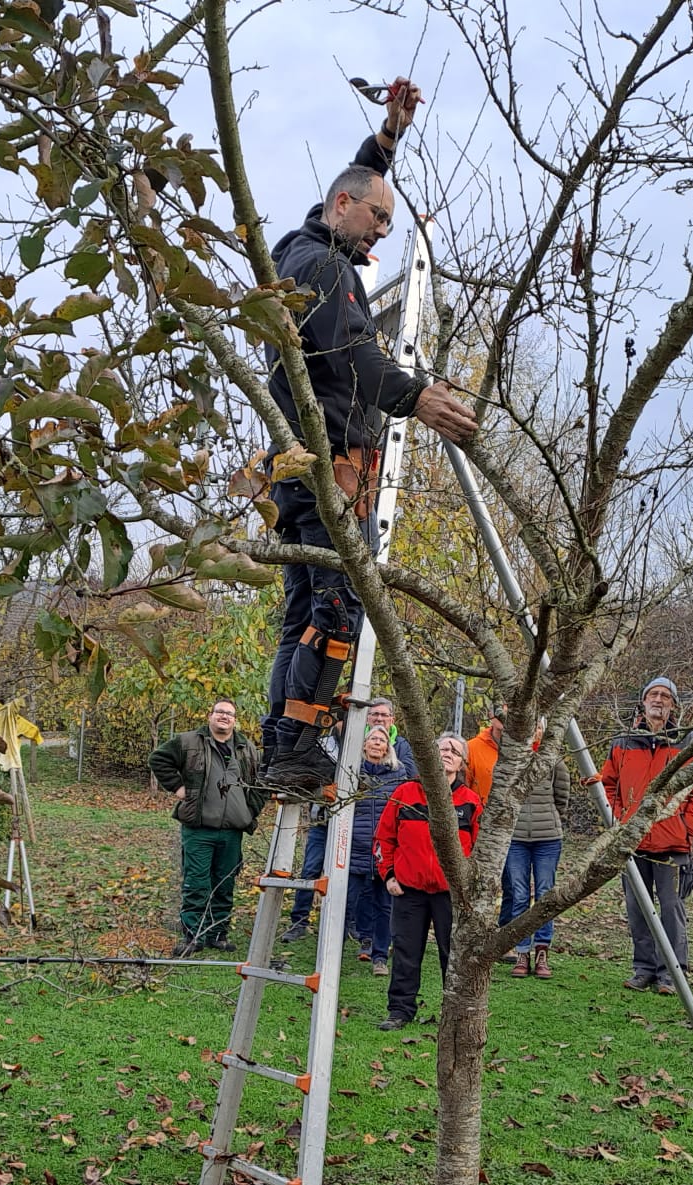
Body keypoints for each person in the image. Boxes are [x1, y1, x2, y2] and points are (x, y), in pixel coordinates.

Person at [261, 79, 478, 790]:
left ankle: (280, 742)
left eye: (390, 220)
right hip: (330, 468)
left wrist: (389, 136)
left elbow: (360, 186)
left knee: (305, 612)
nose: (385, 229)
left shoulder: (307, 251)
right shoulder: (322, 267)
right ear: (340, 208)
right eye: (376, 217)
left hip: (302, 468)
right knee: (334, 607)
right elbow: (357, 353)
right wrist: (419, 397)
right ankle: (296, 743)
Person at [599, 677, 693, 996]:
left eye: (665, 696)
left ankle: (672, 973)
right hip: (632, 841)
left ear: (674, 705)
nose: (659, 700)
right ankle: (644, 968)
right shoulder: (624, 741)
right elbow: (608, 784)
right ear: (643, 701)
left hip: (671, 844)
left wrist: (685, 828)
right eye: (653, 694)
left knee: (670, 909)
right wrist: (618, 819)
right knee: (637, 908)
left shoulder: (687, 742)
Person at [373, 734, 482, 1030]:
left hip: (452, 893)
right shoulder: (405, 793)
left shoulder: (470, 802)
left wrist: (471, 886)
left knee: (454, 954)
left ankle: (455, 1013)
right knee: (406, 953)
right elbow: (384, 838)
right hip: (409, 890)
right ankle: (400, 1010)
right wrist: (389, 875)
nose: (446, 753)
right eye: (441, 748)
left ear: (462, 763)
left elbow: (482, 850)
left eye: (454, 751)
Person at [149, 701, 266, 955]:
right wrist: (179, 789)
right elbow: (158, 759)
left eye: (230, 714)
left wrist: (249, 811)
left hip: (232, 831)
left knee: (225, 883)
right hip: (199, 828)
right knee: (197, 882)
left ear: (235, 720)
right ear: (210, 716)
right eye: (220, 712)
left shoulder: (247, 749)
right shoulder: (189, 742)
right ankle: (194, 936)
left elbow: (260, 783)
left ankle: (218, 934)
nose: (224, 717)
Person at [283, 697, 397, 942]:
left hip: (356, 826)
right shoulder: (324, 744)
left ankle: (353, 928)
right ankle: (299, 921)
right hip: (325, 820)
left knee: (360, 878)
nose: (344, 723)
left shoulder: (367, 747)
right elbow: (312, 776)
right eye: (340, 719)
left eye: (348, 719)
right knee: (312, 868)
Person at [503, 734, 570, 979]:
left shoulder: (553, 761)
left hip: (548, 839)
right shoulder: (509, 760)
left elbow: (562, 797)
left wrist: (550, 820)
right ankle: (522, 952)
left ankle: (542, 951)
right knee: (519, 894)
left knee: (545, 894)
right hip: (516, 839)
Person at [347, 724, 408, 976]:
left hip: (385, 851)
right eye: (372, 738)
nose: (376, 743)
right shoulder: (350, 773)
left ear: (388, 747)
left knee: (385, 906)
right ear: (363, 744)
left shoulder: (398, 775)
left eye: (381, 740)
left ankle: (380, 956)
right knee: (348, 902)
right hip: (354, 848)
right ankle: (332, 955)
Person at [465, 709, 502, 806]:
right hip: (483, 818)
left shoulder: (534, 751)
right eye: (499, 707)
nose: (504, 712)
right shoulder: (471, 748)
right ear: (490, 714)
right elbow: (460, 794)